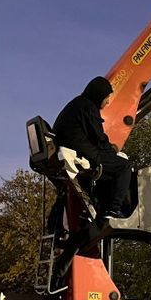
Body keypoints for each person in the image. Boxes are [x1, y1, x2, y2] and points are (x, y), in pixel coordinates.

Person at [52, 76, 132, 219]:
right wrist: (112, 151)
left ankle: (97, 208)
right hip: (82, 151)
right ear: (98, 95)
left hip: (73, 148)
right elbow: (98, 138)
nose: (108, 101)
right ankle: (113, 209)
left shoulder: (76, 104)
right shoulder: (88, 108)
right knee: (124, 166)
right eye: (107, 97)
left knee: (108, 170)